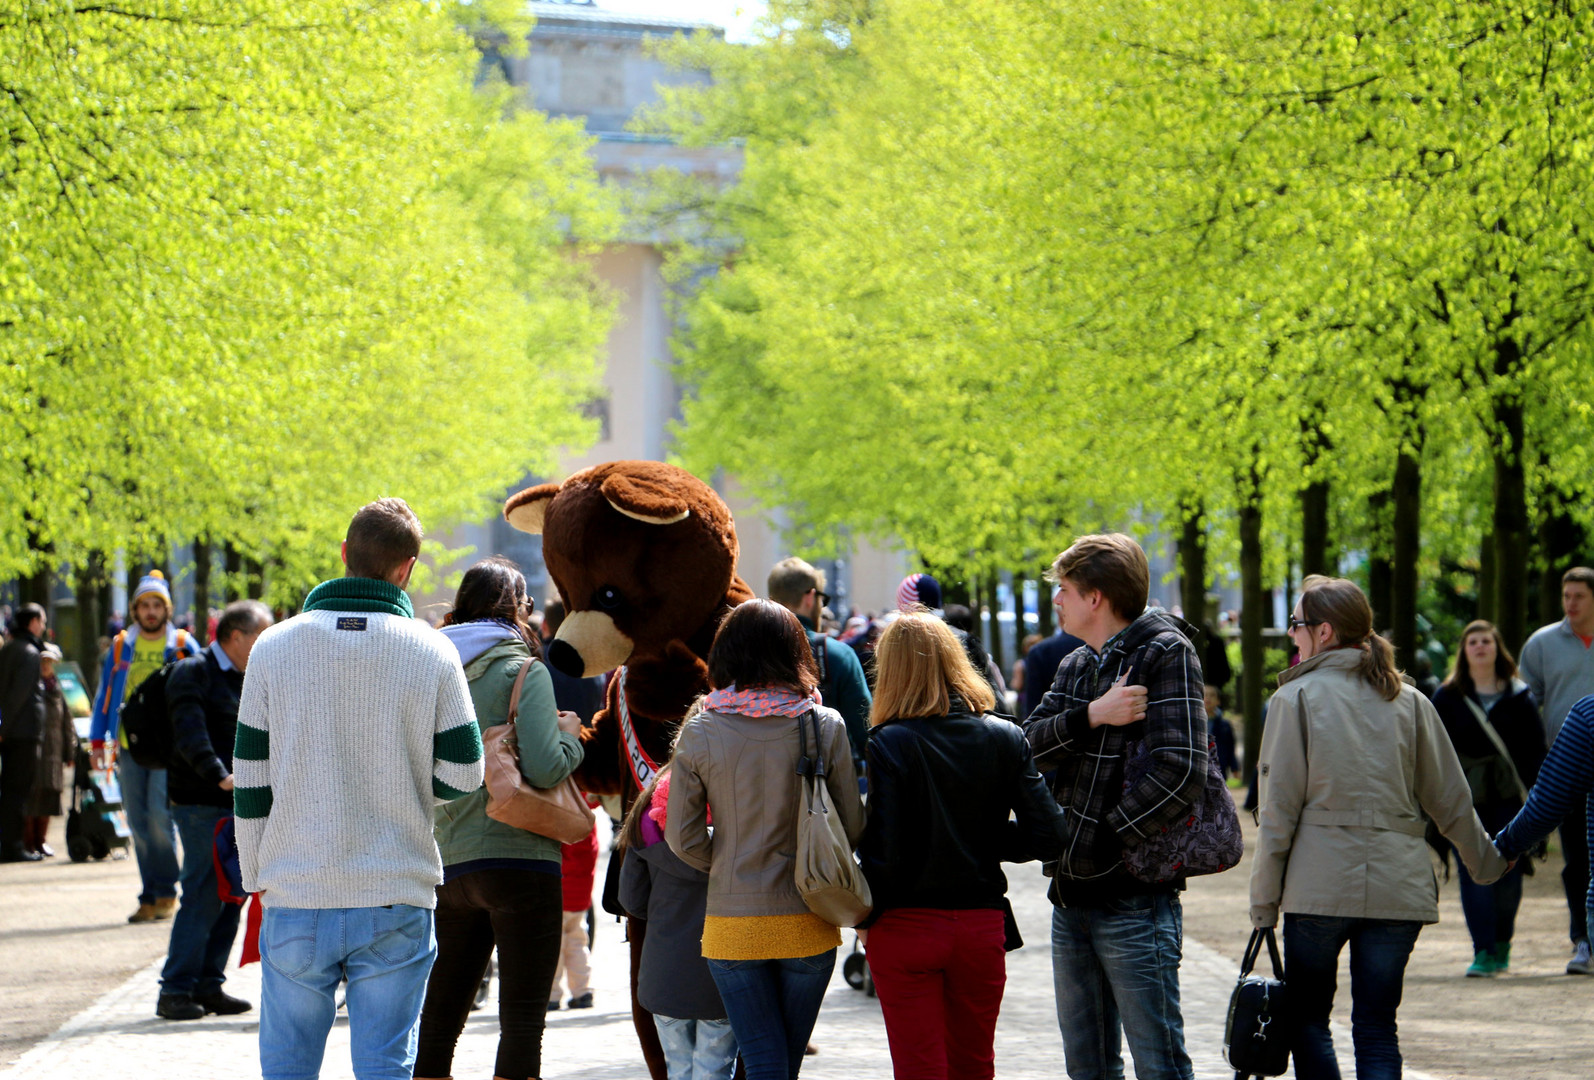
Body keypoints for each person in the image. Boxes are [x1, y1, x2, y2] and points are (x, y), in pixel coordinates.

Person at [235, 499, 486, 1080]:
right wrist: (403, 784)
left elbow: (251, 781)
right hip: (396, 887)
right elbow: (464, 775)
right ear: (408, 568)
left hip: (296, 888)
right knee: (385, 1065)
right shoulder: (432, 650)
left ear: (344, 555)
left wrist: (257, 877)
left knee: (289, 1065)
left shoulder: (273, 648)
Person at [1250, 577, 1508, 1080]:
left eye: (1296, 625)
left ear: (1323, 632)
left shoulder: (1295, 699)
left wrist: (1264, 903)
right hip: (1399, 886)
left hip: (1318, 887)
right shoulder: (1411, 702)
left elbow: (1277, 811)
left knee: (1308, 1021)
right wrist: (1489, 863)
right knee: (1376, 1026)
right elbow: (1451, 800)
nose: (1291, 635)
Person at [1022, 533, 1206, 1080]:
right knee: (1088, 1067)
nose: (1056, 600)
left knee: (1160, 1065)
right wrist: (1093, 716)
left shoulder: (1167, 653)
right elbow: (1026, 746)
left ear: (1095, 597)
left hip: (1134, 898)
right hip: (1070, 895)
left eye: (1064, 589)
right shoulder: (1079, 664)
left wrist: (1107, 838)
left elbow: (1183, 770)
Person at [858, 612, 1065, 1080]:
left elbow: (885, 853)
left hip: (905, 925)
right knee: (974, 1065)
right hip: (980, 924)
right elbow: (1050, 833)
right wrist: (980, 835)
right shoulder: (1005, 735)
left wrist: (864, 919)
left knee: (920, 1068)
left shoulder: (889, 742)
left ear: (889, 671)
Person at [665, 599, 864, 1080]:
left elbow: (681, 835)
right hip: (810, 916)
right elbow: (851, 825)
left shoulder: (702, 729)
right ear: (796, 651)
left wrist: (726, 860)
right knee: (779, 1064)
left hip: (733, 924)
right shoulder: (824, 725)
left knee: (761, 1060)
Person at [415, 556, 583, 1080]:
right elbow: (545, 764)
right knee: (522, 1020)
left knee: (440, 1017)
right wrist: (571, 739)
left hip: (451, 861)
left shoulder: (430, 670)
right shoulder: (523, 670)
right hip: (521, 859)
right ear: (516, 609)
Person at [157, 600, 273, 1020]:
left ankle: (209, 985)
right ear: (235, 636)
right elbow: (190, 735)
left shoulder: (249, 676)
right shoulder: (194, 671)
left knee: (231, 896)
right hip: (201, 805)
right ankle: (174, 990)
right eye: (261, 635)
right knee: (204, 893)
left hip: (238, 805)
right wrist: (221, 775)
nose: (266, 644)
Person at [1430, 620, 1545, 977]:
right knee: (1472, 871)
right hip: (1466, 800)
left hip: (1513, 800)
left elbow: (1535, 753)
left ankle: (1503, 941)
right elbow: (1433, 751)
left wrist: (1541, 805)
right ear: (1464, 652)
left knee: (1509, 873)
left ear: (1498, 648)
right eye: (1473, 642)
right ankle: (1482, 949)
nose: (1480, 647)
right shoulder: (1446, 698)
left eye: (1486, 641)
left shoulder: (1520, 696)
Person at [88, 571, 200, 921]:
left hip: (169, 750)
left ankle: (165, 890)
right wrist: (97, 739)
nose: (150, 612)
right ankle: (149, 894)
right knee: (137, 822)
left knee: (158, 818)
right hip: (130, 746)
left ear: (166, 610)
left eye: (157, 605)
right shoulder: (122, 646)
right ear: (135, 611)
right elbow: (105, 695)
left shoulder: (183, 645)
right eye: (144, 606)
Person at [620, 756, 737, 1080]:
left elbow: (632, 901)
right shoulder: (740, 811)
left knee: (678, 1069)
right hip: (722, 974)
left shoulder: (646, 820)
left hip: (663, 976)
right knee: (714, 1069)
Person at [1517, 565, 1594, 972]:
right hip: (1570, 768)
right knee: (1579, 858)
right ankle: (1582, 940)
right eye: (1566, 596)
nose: (1571, 604)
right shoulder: (1542, 643)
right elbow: (1527, 706)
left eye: (1579, 596)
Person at [768, 557, 872, 775]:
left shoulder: (749, 651)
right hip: (825, 790)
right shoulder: (837, 655)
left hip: (759, 784)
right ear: (810, 596)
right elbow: (865, 732)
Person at [0, 604, 50, 863]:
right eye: (41, 621)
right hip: (23, 733)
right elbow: (18, 696)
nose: (43, 626)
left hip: (12, 732)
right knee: (18, 791)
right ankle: (13, 845)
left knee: (9, 789)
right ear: (32, 622)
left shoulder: (8, 648)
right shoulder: (30, 653)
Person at [22, 643, 75, 857]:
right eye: (43, 661)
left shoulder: (60, 690)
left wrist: (70, 751)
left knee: (49, 795)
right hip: (34, 748)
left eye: (50, 662)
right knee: (31, 796)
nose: (46, 666)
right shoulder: (30, 686)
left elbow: (68, 723)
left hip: (54, 750)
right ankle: (28, 842)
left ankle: (42, 840)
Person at [549, 814, 599, 1011]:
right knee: (578, 941)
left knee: (554, 945)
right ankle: (582, 991)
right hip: (580, 895)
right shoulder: (587, 824)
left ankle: (552, 994)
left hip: (558, 892)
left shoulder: (558, 821)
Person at [1021, 608, 1087, 720]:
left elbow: (1032, 707)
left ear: (1059, 615)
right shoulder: (1101, 647)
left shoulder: (1040, 651)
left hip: (1052, 730)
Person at [1203, 685, 1239, 781]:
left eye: (1212, 695)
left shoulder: (1225, 725)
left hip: (1219, 768)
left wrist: (1234, 768)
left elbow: (1230, 747)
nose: (1208, 698)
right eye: (1204, 695)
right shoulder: (1193, 722)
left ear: (1218, 701)